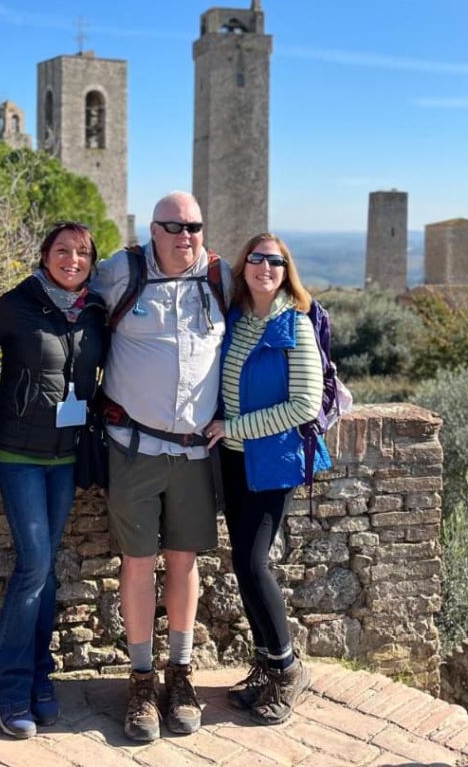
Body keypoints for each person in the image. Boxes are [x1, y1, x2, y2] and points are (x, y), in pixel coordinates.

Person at [94, 192, 231, 742]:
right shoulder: (120, 271)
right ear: (153, 229)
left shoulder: (222, 279)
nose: (184, 235)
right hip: (133, 448)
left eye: (193, 225)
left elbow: (276, 314)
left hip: (196, 453)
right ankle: (141, 680)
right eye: (172, 225)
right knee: (136, 562)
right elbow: (60, 295)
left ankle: (180, 674)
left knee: (183, 562)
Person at [0, 222, 107, 739]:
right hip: (17, 452)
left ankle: (39, 678)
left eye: (82, 253)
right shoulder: (17, 303)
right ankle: (9, 689)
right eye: (62, 250)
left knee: (46, 569)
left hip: (68, 455)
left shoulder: (95, 311)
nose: (72, 259)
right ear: (45, 254)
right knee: (34, 563)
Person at [204, 233, 324, 725]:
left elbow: (304, 406)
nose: (265, 267)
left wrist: (233, 428)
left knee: (253, 563)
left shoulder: (294, 325)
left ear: (285, 270)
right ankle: (267, 666)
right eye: (257, 259)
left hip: (273, 461)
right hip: (233, 459)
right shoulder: (236, 318)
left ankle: (289, 668)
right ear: (244, 267)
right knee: (241, 561)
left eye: (275, 261)